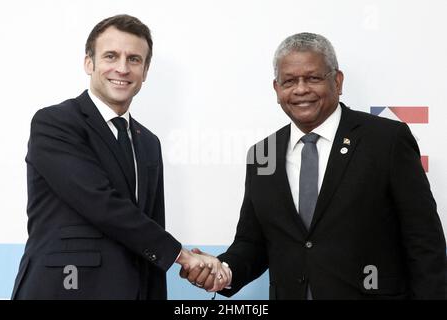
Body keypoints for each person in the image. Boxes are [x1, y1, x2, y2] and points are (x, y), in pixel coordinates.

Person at [182, 32, 446, 299]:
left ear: (337, 81)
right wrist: (223, 270)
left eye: (313, 78)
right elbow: (253, 242)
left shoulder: (386, 140)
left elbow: (425, 243)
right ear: (276, 89)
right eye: (289, 81)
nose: (300, 89)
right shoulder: (263, 154)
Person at [11, 14, 225, 300]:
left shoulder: (148, 142)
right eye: (111, 56)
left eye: (134, 59)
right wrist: (182, 256)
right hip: (64, 289)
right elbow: (99, 201)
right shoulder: (55, 123)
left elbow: (149, 223)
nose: (122, 68)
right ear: (90, 63)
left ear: (145, 71)